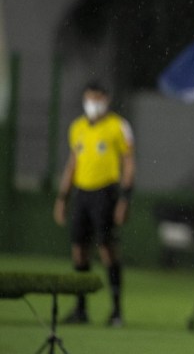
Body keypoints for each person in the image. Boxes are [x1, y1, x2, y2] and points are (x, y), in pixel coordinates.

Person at [53, 81, 135, 326]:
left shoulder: (118, 126)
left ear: (107, 100)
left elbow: (129, 162)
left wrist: (125, 198)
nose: (93, 104)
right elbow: (72, 163)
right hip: (82, 193)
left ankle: (116, 311)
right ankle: (81, 309)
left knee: (106, 249)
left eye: (98, 98)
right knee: (79, 250)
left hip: (106, 193)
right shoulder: (77, 127)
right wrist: (62, 198)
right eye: (89, 98)